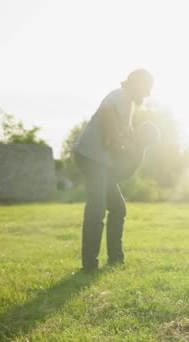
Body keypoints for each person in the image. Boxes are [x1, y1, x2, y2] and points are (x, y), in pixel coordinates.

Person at [73, 69, 154, 272]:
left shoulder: (126, 103)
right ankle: (90, 266)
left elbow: (124, 131)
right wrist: (115, 140)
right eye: (146, 89)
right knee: (97, 208)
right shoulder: (119, 96)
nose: (148, 94)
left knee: (118, 208)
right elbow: (106, 112)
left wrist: (128, 140)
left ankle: (116, 259)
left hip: (100, 162)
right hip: (91, 158)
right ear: (135, 83)